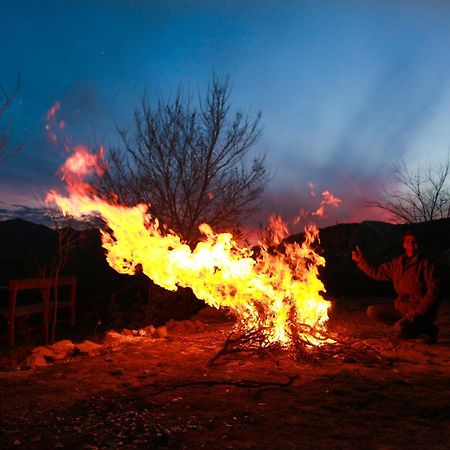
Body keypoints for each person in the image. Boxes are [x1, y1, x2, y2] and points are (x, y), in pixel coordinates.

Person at [351, 230, 440, 344]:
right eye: (408, 241)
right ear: (404, 245)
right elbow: (377, 272)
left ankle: (429, 330)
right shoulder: (397, 263)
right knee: (372, 311)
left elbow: (433, 293)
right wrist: (361, 261)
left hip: (420, 311)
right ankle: (409, 327)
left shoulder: (427, 264)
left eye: (415, 241)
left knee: (399, 329)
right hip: (402, 308)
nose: (411, 244)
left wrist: (418, 312)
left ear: (419, 244)